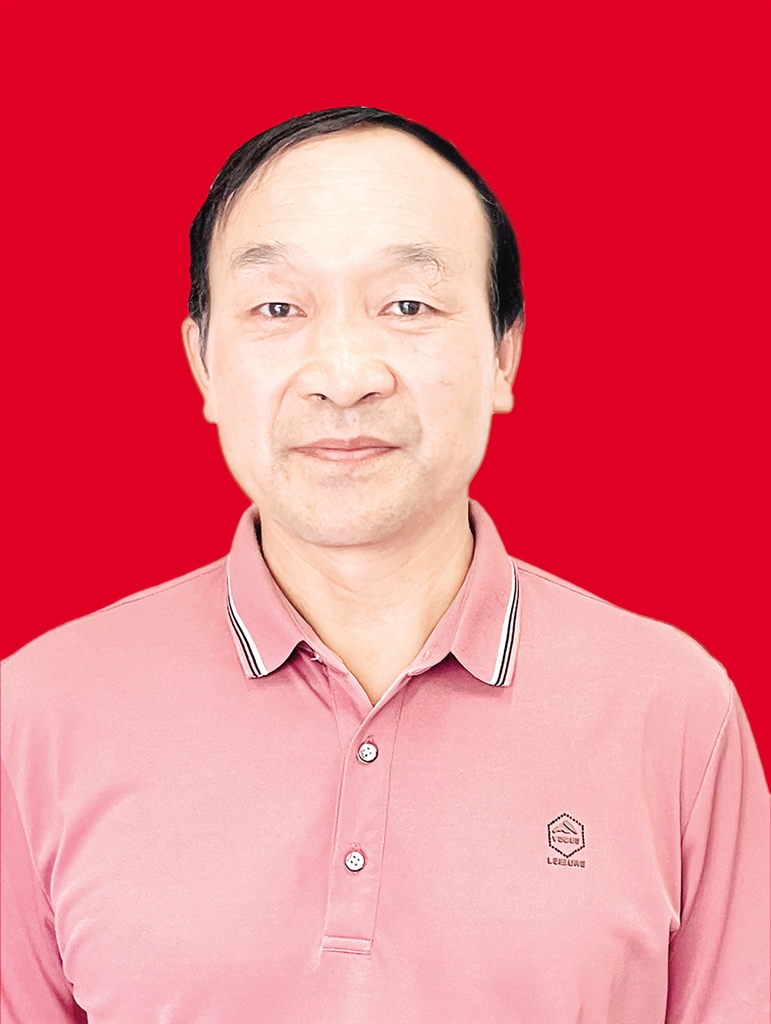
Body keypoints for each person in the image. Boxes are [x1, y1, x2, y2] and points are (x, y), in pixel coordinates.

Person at [1, 107, 768, 1024]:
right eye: (277, 308)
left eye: (408, 306)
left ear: (504, 354)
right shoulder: (37, 715)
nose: (344, 373)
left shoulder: (671, 709)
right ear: (202, 363)